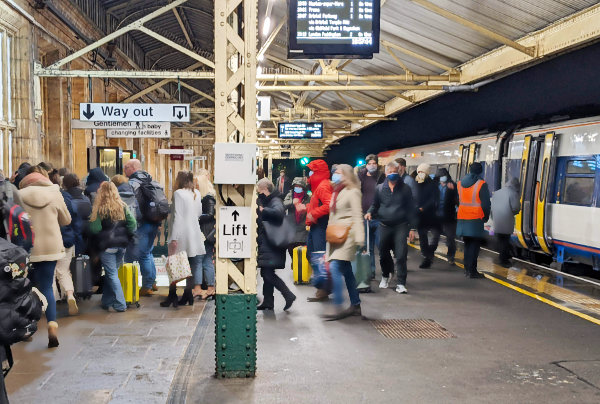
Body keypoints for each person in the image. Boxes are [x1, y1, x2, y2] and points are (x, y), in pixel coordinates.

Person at [19, 167, 71, 348]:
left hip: (27, 248)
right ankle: (52, 325)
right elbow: (66, 220)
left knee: (23, 288)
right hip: (51, 247)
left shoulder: (19, 194)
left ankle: (26, 326)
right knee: (47, 286)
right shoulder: (54, 193)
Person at [366, 161, 417, 293]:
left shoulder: (405, 188)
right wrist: (369, 212)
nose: (393, 174)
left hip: (401, 225)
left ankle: (401, 283)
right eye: (391, 172)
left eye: (396, 172)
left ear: (399, 172)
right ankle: (385, 275)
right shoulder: (379, 188)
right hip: (384, 225)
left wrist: (413, 228)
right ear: (386, 173)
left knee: (400, 255)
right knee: (383, 254)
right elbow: (375, 204)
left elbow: (411, 208)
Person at [325, 164, 365, 320]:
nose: (335, 175)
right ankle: (356, 305)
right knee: (347, 272)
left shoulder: (353, 192)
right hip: (336, 236)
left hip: (348, 235)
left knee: (335, 267)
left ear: (347, 175)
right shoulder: (338, 191)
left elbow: (357, 216)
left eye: (339, 173)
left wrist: (360, 239)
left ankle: (338, 306)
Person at [89, 182, 137, 312]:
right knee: (113, 273)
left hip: (107, 246)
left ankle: (121, 304)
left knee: (111, 274)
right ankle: (107, 301)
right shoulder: (122, 206)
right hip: (122, 245)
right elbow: (132, 224)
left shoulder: (100, 209)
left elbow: (95, 228)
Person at [161, 171, 205, 308]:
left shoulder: (178, 193)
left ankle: (172, 295)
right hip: (194, 232)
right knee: (190, 265)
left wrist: (174, 238)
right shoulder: (196, 193)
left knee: (173, 263)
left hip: (181, 233)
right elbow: (198, 213)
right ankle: (187, 295)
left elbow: (178, 217)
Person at [50, 172, 90, 316]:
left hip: (50, 240)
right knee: (64, 271)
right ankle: (70, 295)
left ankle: (53, 301)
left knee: (51, 273)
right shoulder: (66, 198)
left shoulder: (46, 198)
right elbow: (74, 221)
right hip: (67, 239)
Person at [256, 178, 296, 311]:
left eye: (259, 191)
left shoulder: (275, 201)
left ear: (265, 189)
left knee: (267, 273)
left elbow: (279, 213)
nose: (258, 194)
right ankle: (268, 301)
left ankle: (288, 294)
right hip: (269, 243)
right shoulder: (270, 200)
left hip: (272, 244)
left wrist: (263, 210)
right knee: (266, 272)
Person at [124, 159, 160, 296]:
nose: (124, 170)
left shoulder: (133, 184)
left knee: (143, 255)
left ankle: (146, 286)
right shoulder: (151, 180)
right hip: (154, 221)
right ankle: (153, 282)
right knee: (148, 252)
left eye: (126, 167)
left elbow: (131, 205)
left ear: (132, 168)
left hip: (142, 223)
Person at [457, 162, 491, 278]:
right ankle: (472, 271)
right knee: (474, 246)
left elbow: (458, 200)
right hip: (475, 219)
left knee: (467, 245)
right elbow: (486, 204)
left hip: (462, 218)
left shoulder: (460, 183)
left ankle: (467, 269)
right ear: (480, 171)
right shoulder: (481, 184)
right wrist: (485, 217)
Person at [305, 160, 332, 302]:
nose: (310, 176)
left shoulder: (323, 186)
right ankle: (324, 287)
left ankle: (324, 290)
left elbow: (329, 205)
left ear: (318, 173)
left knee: (319, 257)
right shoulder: (320, 186)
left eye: (312, 172)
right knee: (312, 254)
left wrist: (314, 213)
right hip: (316, 225)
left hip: (321, 226)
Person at [357, 154, 385, 278]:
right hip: (364, 217)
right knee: (368, 247)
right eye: (369, 163)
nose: (372, 165)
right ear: (366, 164)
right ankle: (371, 271)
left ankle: (386, 270)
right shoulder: (361, 177)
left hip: (379, 216)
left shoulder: (381, 177)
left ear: (377, 164)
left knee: (382, 245)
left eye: (374, 163)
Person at [430, 168, 459, 265]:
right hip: (436, 217)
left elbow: (457, 200)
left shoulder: (452, 185)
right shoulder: (434, 186)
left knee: (450, 238)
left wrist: (453, 191)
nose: (443, 178)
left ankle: (451, 257)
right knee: (435, 238)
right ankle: (430, 256)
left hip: (449, 217)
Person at [414, 163, 440, 269]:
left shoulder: (433, 184)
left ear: (427, 173)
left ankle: (430, 251)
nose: (420, 174)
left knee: (436, 234)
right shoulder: (415, 183)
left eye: (423, 172)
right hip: (420, 216)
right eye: (419, 172)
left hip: (431, 214)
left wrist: (423, 207)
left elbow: (434, 199)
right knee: (423, 237)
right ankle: (426, 257)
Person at [195, 169, 216, 300]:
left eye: (197, 184)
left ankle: (206, 288)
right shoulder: (208, 196)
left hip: (205, 233)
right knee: (206, 260)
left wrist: (196, 217)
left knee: (202, 260)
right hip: (207, 233)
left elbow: (210, 214)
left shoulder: (208, 198)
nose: (195, 186)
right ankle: (210, 288)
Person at [491, 178, 521, 268]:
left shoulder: (497, 192)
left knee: (500, 240)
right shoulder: (513, 193)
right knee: (505, 240)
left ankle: (504, 256)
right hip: (506, 220)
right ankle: (503, 260)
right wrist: (514, 212)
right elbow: (516, 208)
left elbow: (492, 207)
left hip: (496, 219)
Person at [283, 177, 310, 258]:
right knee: (291, 247)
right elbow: (283, 205)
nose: (297, 188)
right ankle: (294, 263)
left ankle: (300, 266)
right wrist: (292, 202)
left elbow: (311, 207)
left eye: (300, 186)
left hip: (302, 227)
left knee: (302, 249)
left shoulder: (307, 197)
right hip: (291, 226)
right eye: (296, 186)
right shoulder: (290, 195)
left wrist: (305, 207)